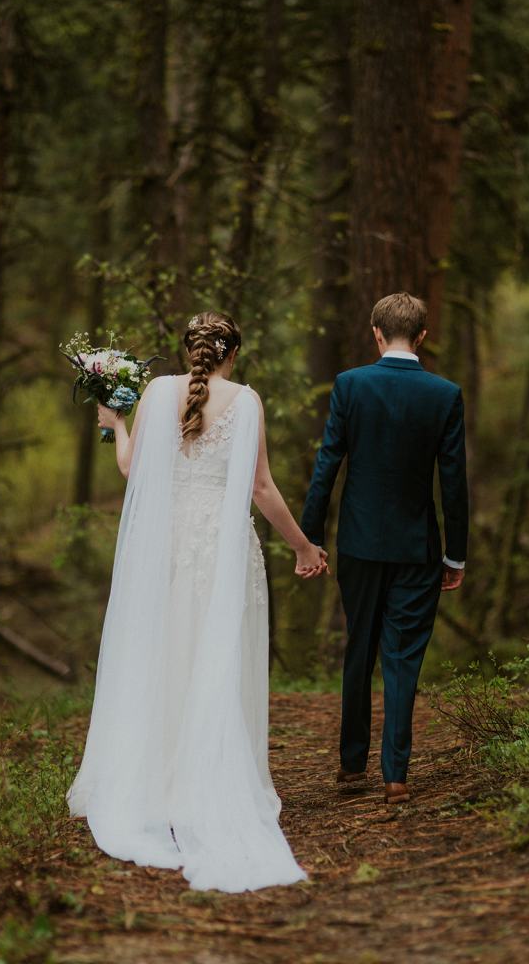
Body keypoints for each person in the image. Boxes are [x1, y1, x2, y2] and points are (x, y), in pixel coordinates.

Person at [67, 311, 326, 893]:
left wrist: (115, 424)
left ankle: (156, 782)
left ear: (189, 349)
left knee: (165, 653)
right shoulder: (247, 401)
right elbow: (260, 487)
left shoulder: (157, 393)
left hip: (166, 545)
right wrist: (303, 546)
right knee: (213, 657)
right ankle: (207, 777)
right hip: (221, 548)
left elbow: (131, 468)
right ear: (233, 353)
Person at [301, 292, 468, 804]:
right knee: (402, 658)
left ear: (376, 332)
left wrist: (310, 537)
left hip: (358, 543)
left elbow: (328, 464)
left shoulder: (351, 385)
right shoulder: (445, 394)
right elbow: (453, 481)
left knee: (360, 647)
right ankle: (396, 775)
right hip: (417, 548)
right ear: (422, 336)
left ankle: (352, 765)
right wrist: (456, 554)